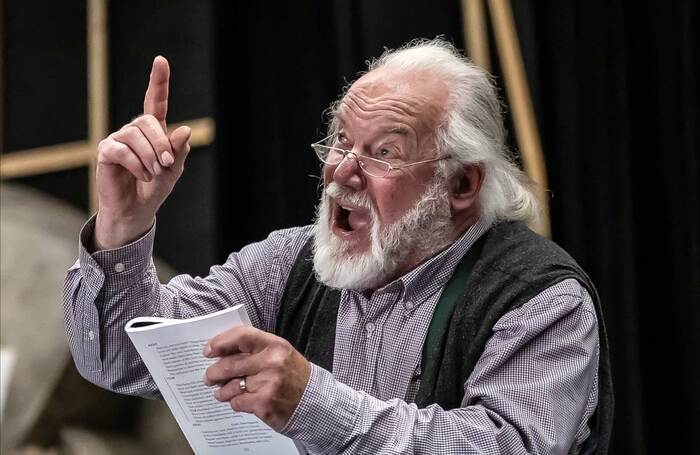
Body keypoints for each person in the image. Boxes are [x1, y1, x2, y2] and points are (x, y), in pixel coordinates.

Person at [64, 38, 613, 454]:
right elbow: (121, 361)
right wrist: (122, 227)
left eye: (384, 153)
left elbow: (504, 446)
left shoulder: (538, 299)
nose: (342, 173)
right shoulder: (289, 265)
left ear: (462, 185)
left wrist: (314, 405)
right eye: (342, 142)